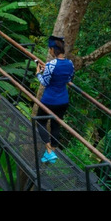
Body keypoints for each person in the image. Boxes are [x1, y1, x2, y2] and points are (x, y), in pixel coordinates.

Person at [35, 35, 75, 164]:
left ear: (53, 49)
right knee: (55, 125)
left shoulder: (51, 65)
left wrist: (38, 73)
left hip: (49, 100)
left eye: (49, 49)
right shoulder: (70, 64)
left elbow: (45, 82)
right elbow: (69, 79)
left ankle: (49, 151)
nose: (49, 51)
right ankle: (52, 152)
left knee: (40, 122)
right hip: (63, 100)